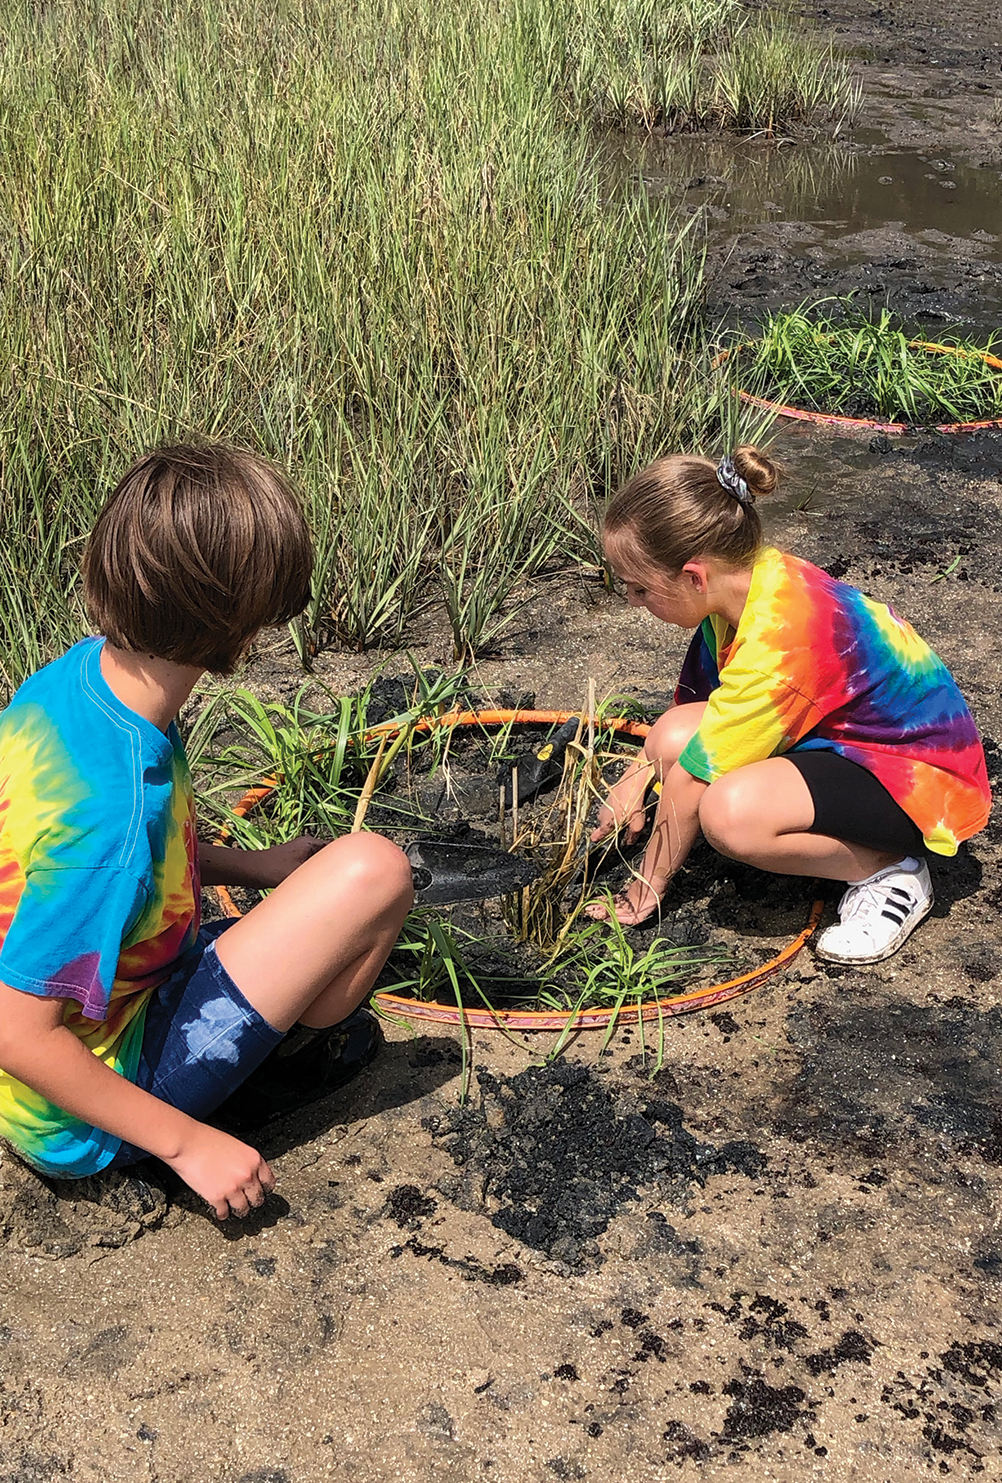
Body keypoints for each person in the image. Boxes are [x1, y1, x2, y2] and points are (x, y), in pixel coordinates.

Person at [0, 445, 414, 1219]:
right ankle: (278, 1070)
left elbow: (104, 867)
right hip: (80, 1103)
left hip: (113, 994)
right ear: (234, 622)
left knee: (333, 888)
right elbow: (17, 1031)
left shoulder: (82, 683)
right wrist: (189, 1144)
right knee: (377, 871)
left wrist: (255, 865)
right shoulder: (111, 810)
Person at [588, 446, 990, 964]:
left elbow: (696, 774)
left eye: (640, 588)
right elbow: (696, 727)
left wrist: (646, 887)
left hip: (917, 778)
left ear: (693, 576)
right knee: (667, 737)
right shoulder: (752, 583)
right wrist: (637, 774)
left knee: (731, 816)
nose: (633, 602)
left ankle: (889, 869)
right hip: (843, 741)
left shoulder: (781, 642)